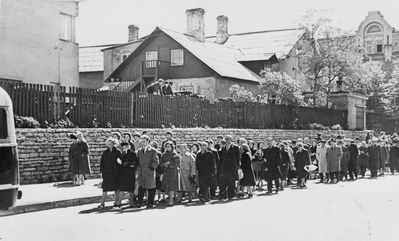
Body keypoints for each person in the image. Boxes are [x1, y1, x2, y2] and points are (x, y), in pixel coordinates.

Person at [137, 135, 159, 209]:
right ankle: (139, 202)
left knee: (151, 188)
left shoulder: (152, 150)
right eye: (142, 141)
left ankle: (150, 203)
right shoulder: (139, 151)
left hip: (149, 171)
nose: (143, 143)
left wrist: (151, 168)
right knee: (141, 187)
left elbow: (156, 161)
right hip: (141, 172)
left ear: (148, 142)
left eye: (144, 141)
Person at [98, 138, 121, 209]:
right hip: (106, 173)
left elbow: (120, 162)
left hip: (115, 173)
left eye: (111, 144)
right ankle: (102, 203)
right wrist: (101, 172)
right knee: (105, 188)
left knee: (116, 188)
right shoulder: (105, 152)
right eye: (108, 144)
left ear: (114, 144)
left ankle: (116, 202)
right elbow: (102, 162)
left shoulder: (117, 152)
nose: (109, 145)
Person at [117, 141, 139, 208]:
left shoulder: (133, 153)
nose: (124, 148)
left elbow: (136, 163)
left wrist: (129, 164)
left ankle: (131, 203)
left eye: (126, 147)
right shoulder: (122, 154)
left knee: (130, 189)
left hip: (130, 173)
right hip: (123, 173)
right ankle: (119, 202)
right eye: (123, 147)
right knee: (122, 188)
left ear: (128, 146)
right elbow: (119, 162)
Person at [219, 135, 240, 200]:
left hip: (232, 168)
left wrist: (237, 167)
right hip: (225, 168)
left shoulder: (235, 147)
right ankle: (224, 196)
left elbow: (238, 158)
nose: (227, 140)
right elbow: (222, 158)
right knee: (224, 182)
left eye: (228, 139)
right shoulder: (223, 148)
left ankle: (231, 196)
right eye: (226, 139)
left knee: (231, 182)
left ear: (231, 140)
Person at [160, 141, 181, 206]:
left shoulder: (175, 154)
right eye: (166, 146)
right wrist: (164, 164)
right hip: (166, 171)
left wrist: (170, 163)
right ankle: (170, 199)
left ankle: (171, 200)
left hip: (173, 172)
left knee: (172, 186)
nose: (167, 148)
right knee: (167, 186)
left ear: (172, 147)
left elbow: (177, 163)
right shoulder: (164, 154)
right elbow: (161, 163)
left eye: (169, 146)